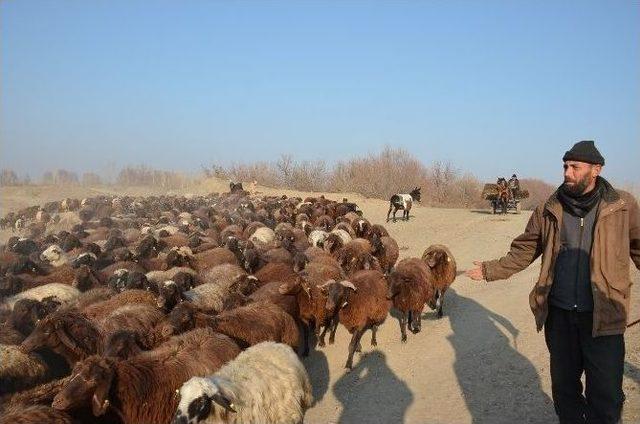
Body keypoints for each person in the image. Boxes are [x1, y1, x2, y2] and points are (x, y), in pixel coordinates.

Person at [466, 140, 639, 424]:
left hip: (605, 318)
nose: (567, 172)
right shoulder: (550, 207)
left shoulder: (622, 206)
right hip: (560, 318)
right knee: (565, 393)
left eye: (574, 167)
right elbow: (525, 249)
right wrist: (489, 270)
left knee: (606, 397)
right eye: (565, 166)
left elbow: (638, 247)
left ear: (596, 169)